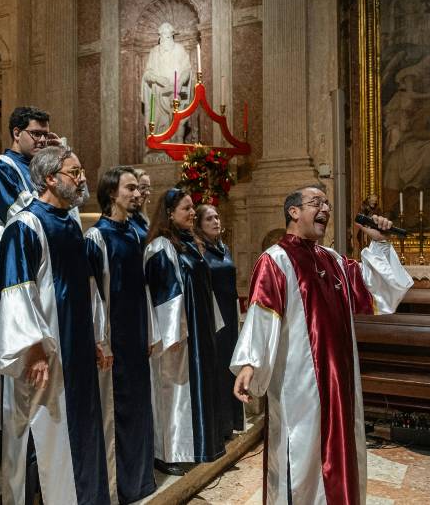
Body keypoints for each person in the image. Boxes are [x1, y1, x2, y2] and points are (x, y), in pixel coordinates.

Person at [231, 185, 412, 505]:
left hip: (341, 383)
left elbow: (377, 292)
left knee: (340, 452)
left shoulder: (333, 260)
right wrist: (250, 363)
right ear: (293, 212)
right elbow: (262, 315)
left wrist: (379, 243)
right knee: (302, 456)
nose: (326, 208)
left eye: (327, 202)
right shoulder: (275, 260)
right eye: (316, 202)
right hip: (299, 386)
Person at [0, 146, 110, 505]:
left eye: (80, 172)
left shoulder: (71, 223)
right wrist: (33, 347)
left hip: (75, 347)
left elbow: (86, 286)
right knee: (42, 434)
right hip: (45, 352)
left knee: (78, 428)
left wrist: (95, 336)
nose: (81, 180)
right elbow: (17, 291)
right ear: (50, 178)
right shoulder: (25, 224)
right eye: (74, 173)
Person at [0, 105, 54, 428]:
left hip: (35, 269)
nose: (41, 140)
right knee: (12, 346)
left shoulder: (36, 167)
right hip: (8, 273)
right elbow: (27, 214)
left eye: (45, 135)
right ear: (16, 133)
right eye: (36, 134)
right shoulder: (2, 167)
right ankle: (7, 426)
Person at [143, 188, 227, 475]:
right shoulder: (160, 247)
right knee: (172, 392)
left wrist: (209, 323)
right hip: (174, 335)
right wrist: (172, 335)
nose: (193, 213)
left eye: (193, 208)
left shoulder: (188, 244)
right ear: (169, 213)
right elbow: (165, 295)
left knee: (189, 391)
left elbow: (204, 286)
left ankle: (193, 445)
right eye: (187, 208)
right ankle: (167, 453)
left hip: (196, 330)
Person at [85, 166, 156, 504]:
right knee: (117, 412)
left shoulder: (135, 233)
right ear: (112, 193)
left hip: (136, 333)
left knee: (140, 409)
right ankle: (117, 487)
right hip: (114, 337)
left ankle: (140, 482)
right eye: (129, 188)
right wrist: (100, 340)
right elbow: (93, 294)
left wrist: (150, 333)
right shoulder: (96, 237)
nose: (136, 193)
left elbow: (143, 288)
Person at [195, 204, 244, 437]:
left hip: (229, 316)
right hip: (213, 319)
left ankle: (229, 424)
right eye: (209, 219)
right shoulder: (200, 251)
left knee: (229, 368)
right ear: (199, 225)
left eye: (217, 216)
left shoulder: (223, 248)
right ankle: (216, 427)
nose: (216, 221)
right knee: (215, 370)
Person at [129, 168, 151, 244]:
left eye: (148, 188)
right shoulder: (126, 220)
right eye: (143, 187)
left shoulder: (141, 217)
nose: (148, 193)